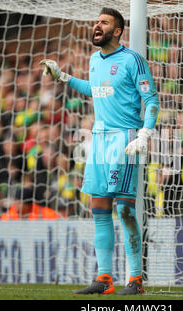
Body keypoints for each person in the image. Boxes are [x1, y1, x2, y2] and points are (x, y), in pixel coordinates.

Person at [40, 7, 159, 295]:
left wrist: (145, 134)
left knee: (125, 210)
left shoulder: (133, 60)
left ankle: (136, 279)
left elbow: (152, 100)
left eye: (103, 23)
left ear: (117, 31)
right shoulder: (94, 60)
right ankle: (104, 278)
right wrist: (64, 78)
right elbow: (96, 89)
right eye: (96, 21)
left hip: (124, 139)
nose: (97, 25)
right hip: (98, 140)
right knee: (99, 209)